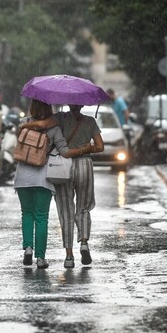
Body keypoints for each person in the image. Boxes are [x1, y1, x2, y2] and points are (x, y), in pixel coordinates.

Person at [20, 103, 104, 268]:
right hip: (85, 164)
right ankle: (84, 243)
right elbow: (100, 147)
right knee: (84, 207)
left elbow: (42, 125)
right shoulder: (90, 121)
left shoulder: (60, 118)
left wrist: (24, 124)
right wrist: (87, 148)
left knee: (65, 210)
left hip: (63, 167)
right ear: (82, 104)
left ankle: (69, 257)